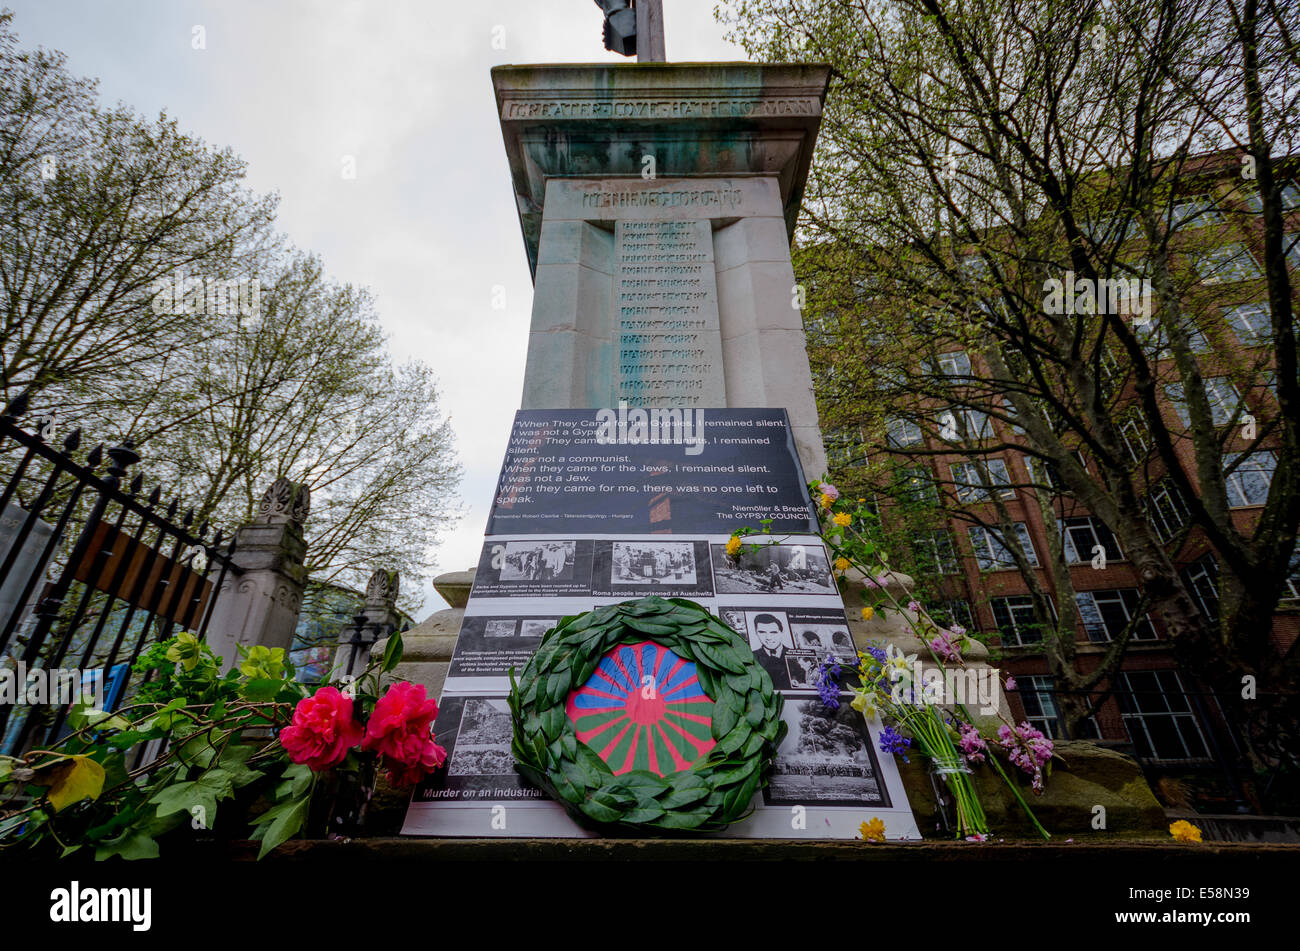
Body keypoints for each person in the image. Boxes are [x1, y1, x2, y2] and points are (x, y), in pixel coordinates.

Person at [751, 614, 790, 686]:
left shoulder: (792, 654)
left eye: (773, 632)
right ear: (756, 633)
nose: (768, 637)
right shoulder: (751, 657)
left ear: (782, 632)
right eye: (762, 632)